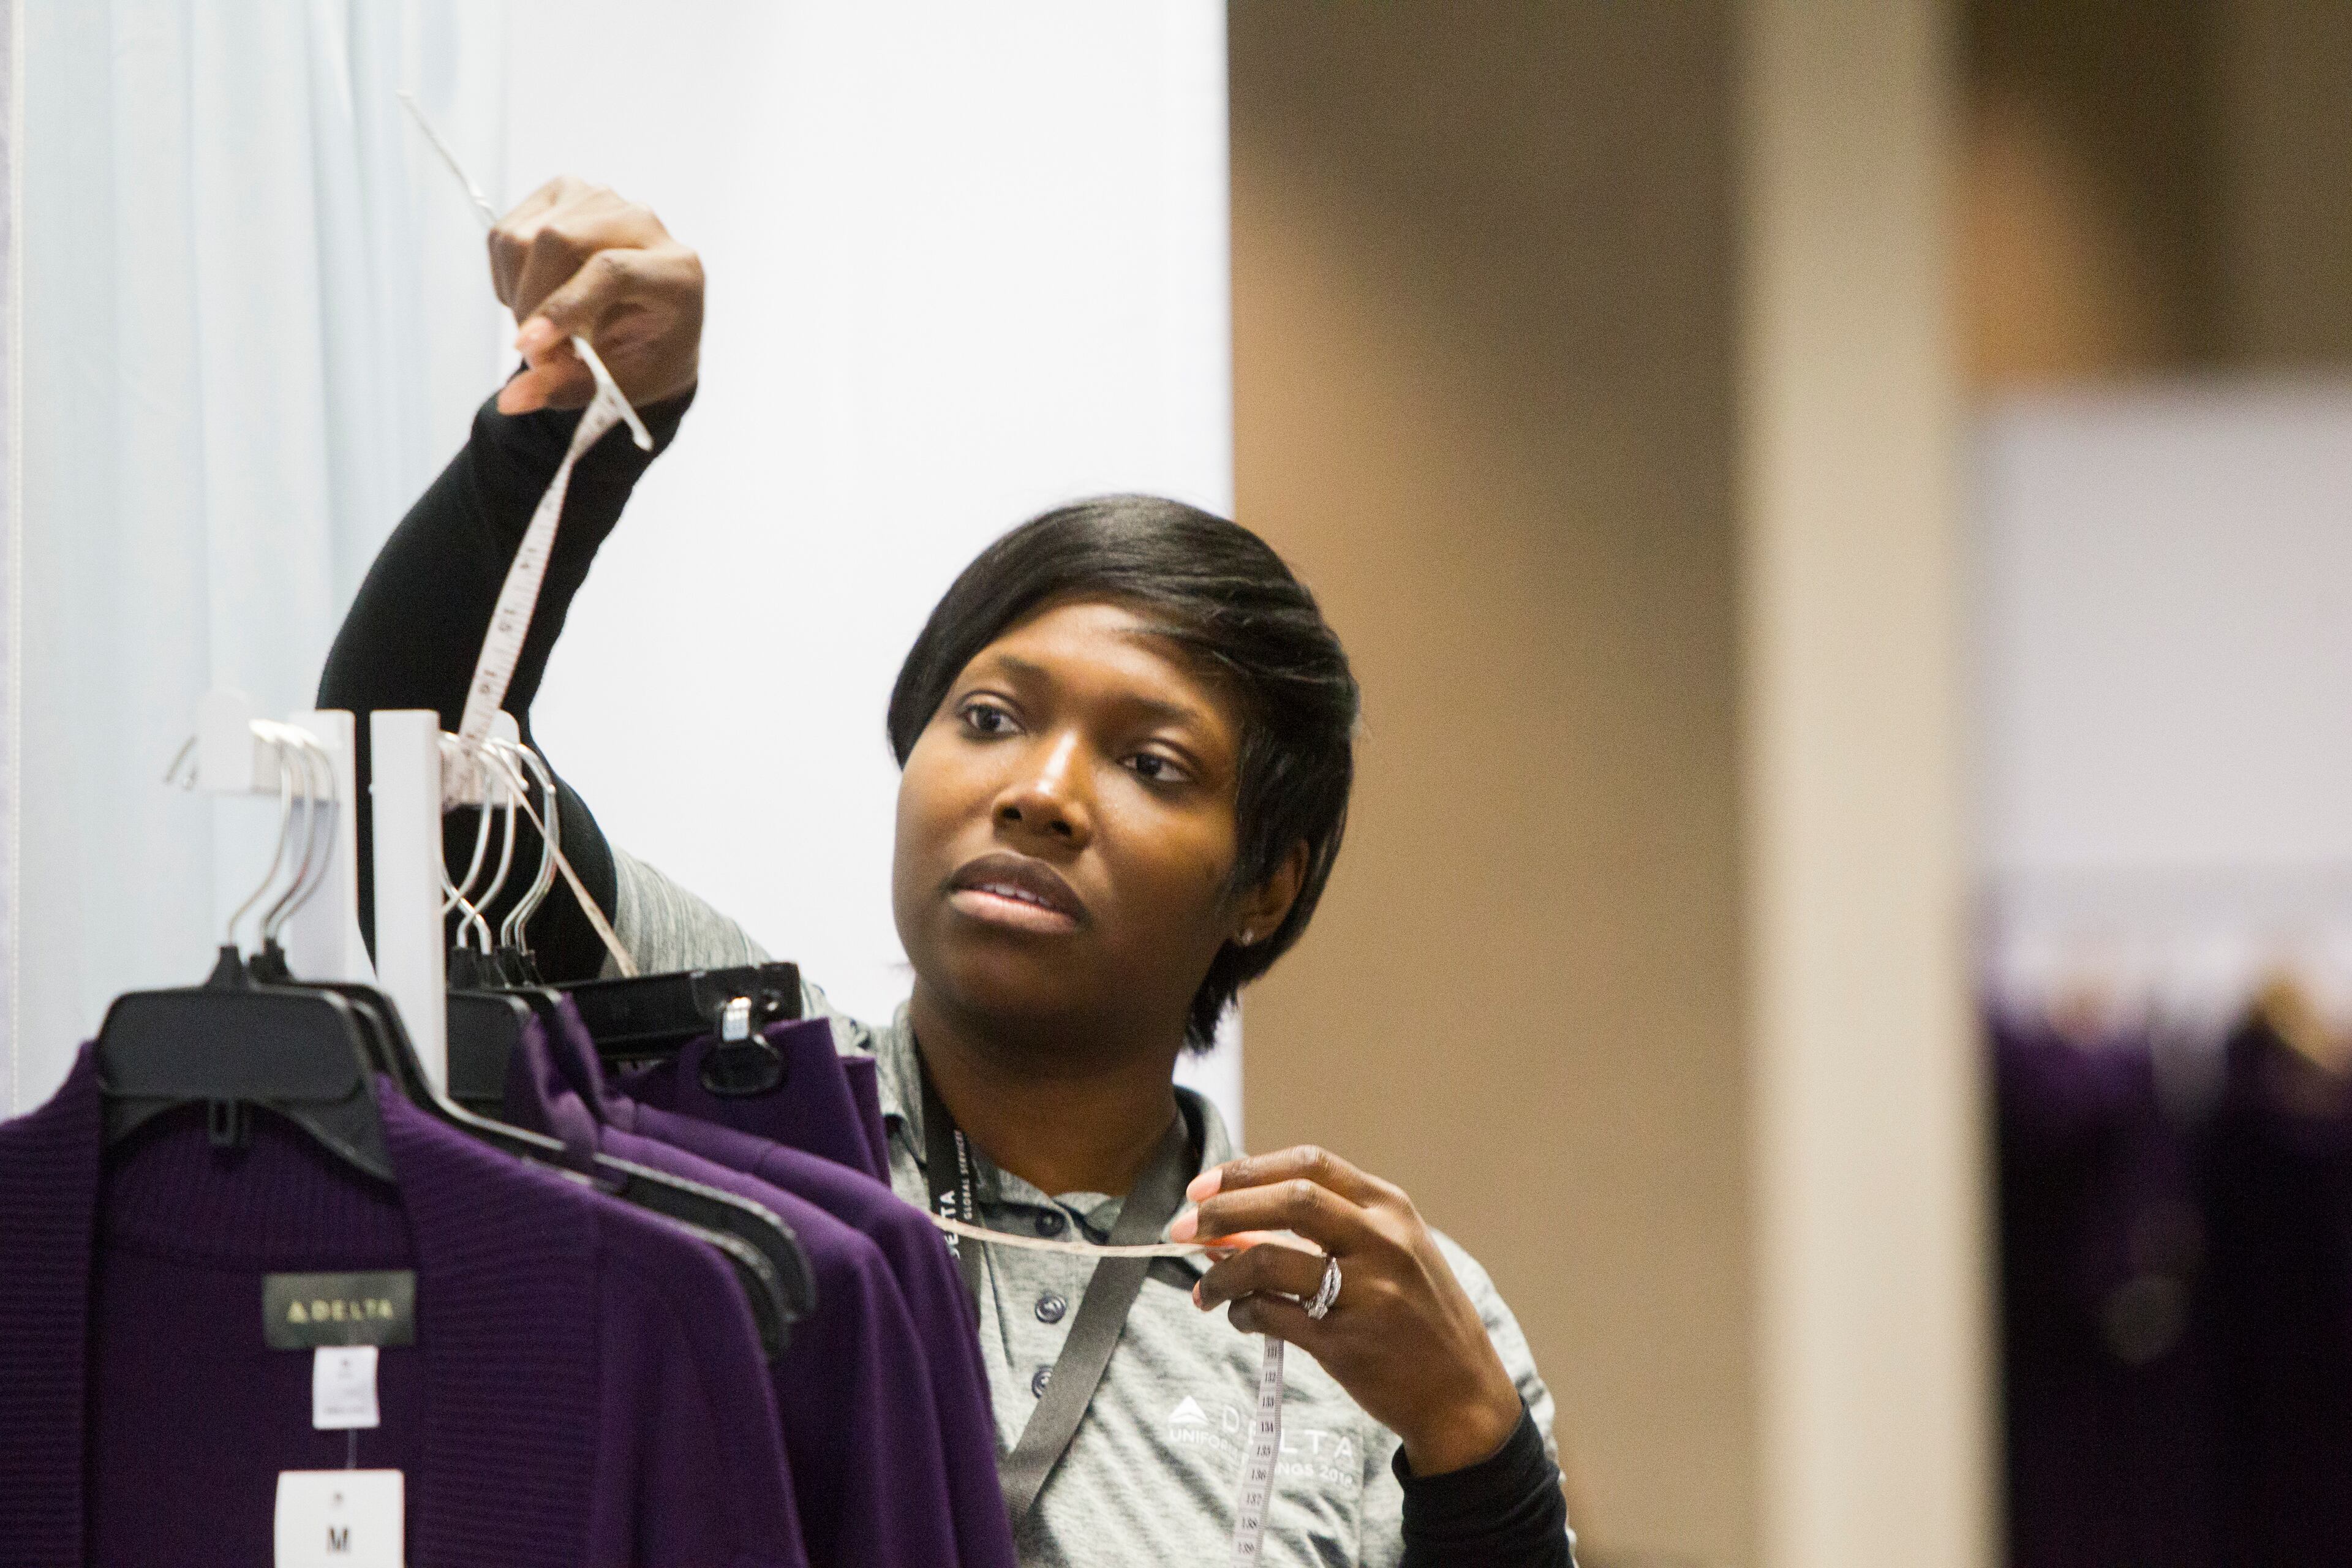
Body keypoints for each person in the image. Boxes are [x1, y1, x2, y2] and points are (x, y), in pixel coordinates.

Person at [322, 176, 1575, 1568]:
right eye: (989, 718)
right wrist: (584, 425)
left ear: (1265, 884)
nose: (1038, 791)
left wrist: (1473, 1440)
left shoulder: (1369, 1320)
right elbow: (405, 778)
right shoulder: (724, 1081)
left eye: (1151, 764)